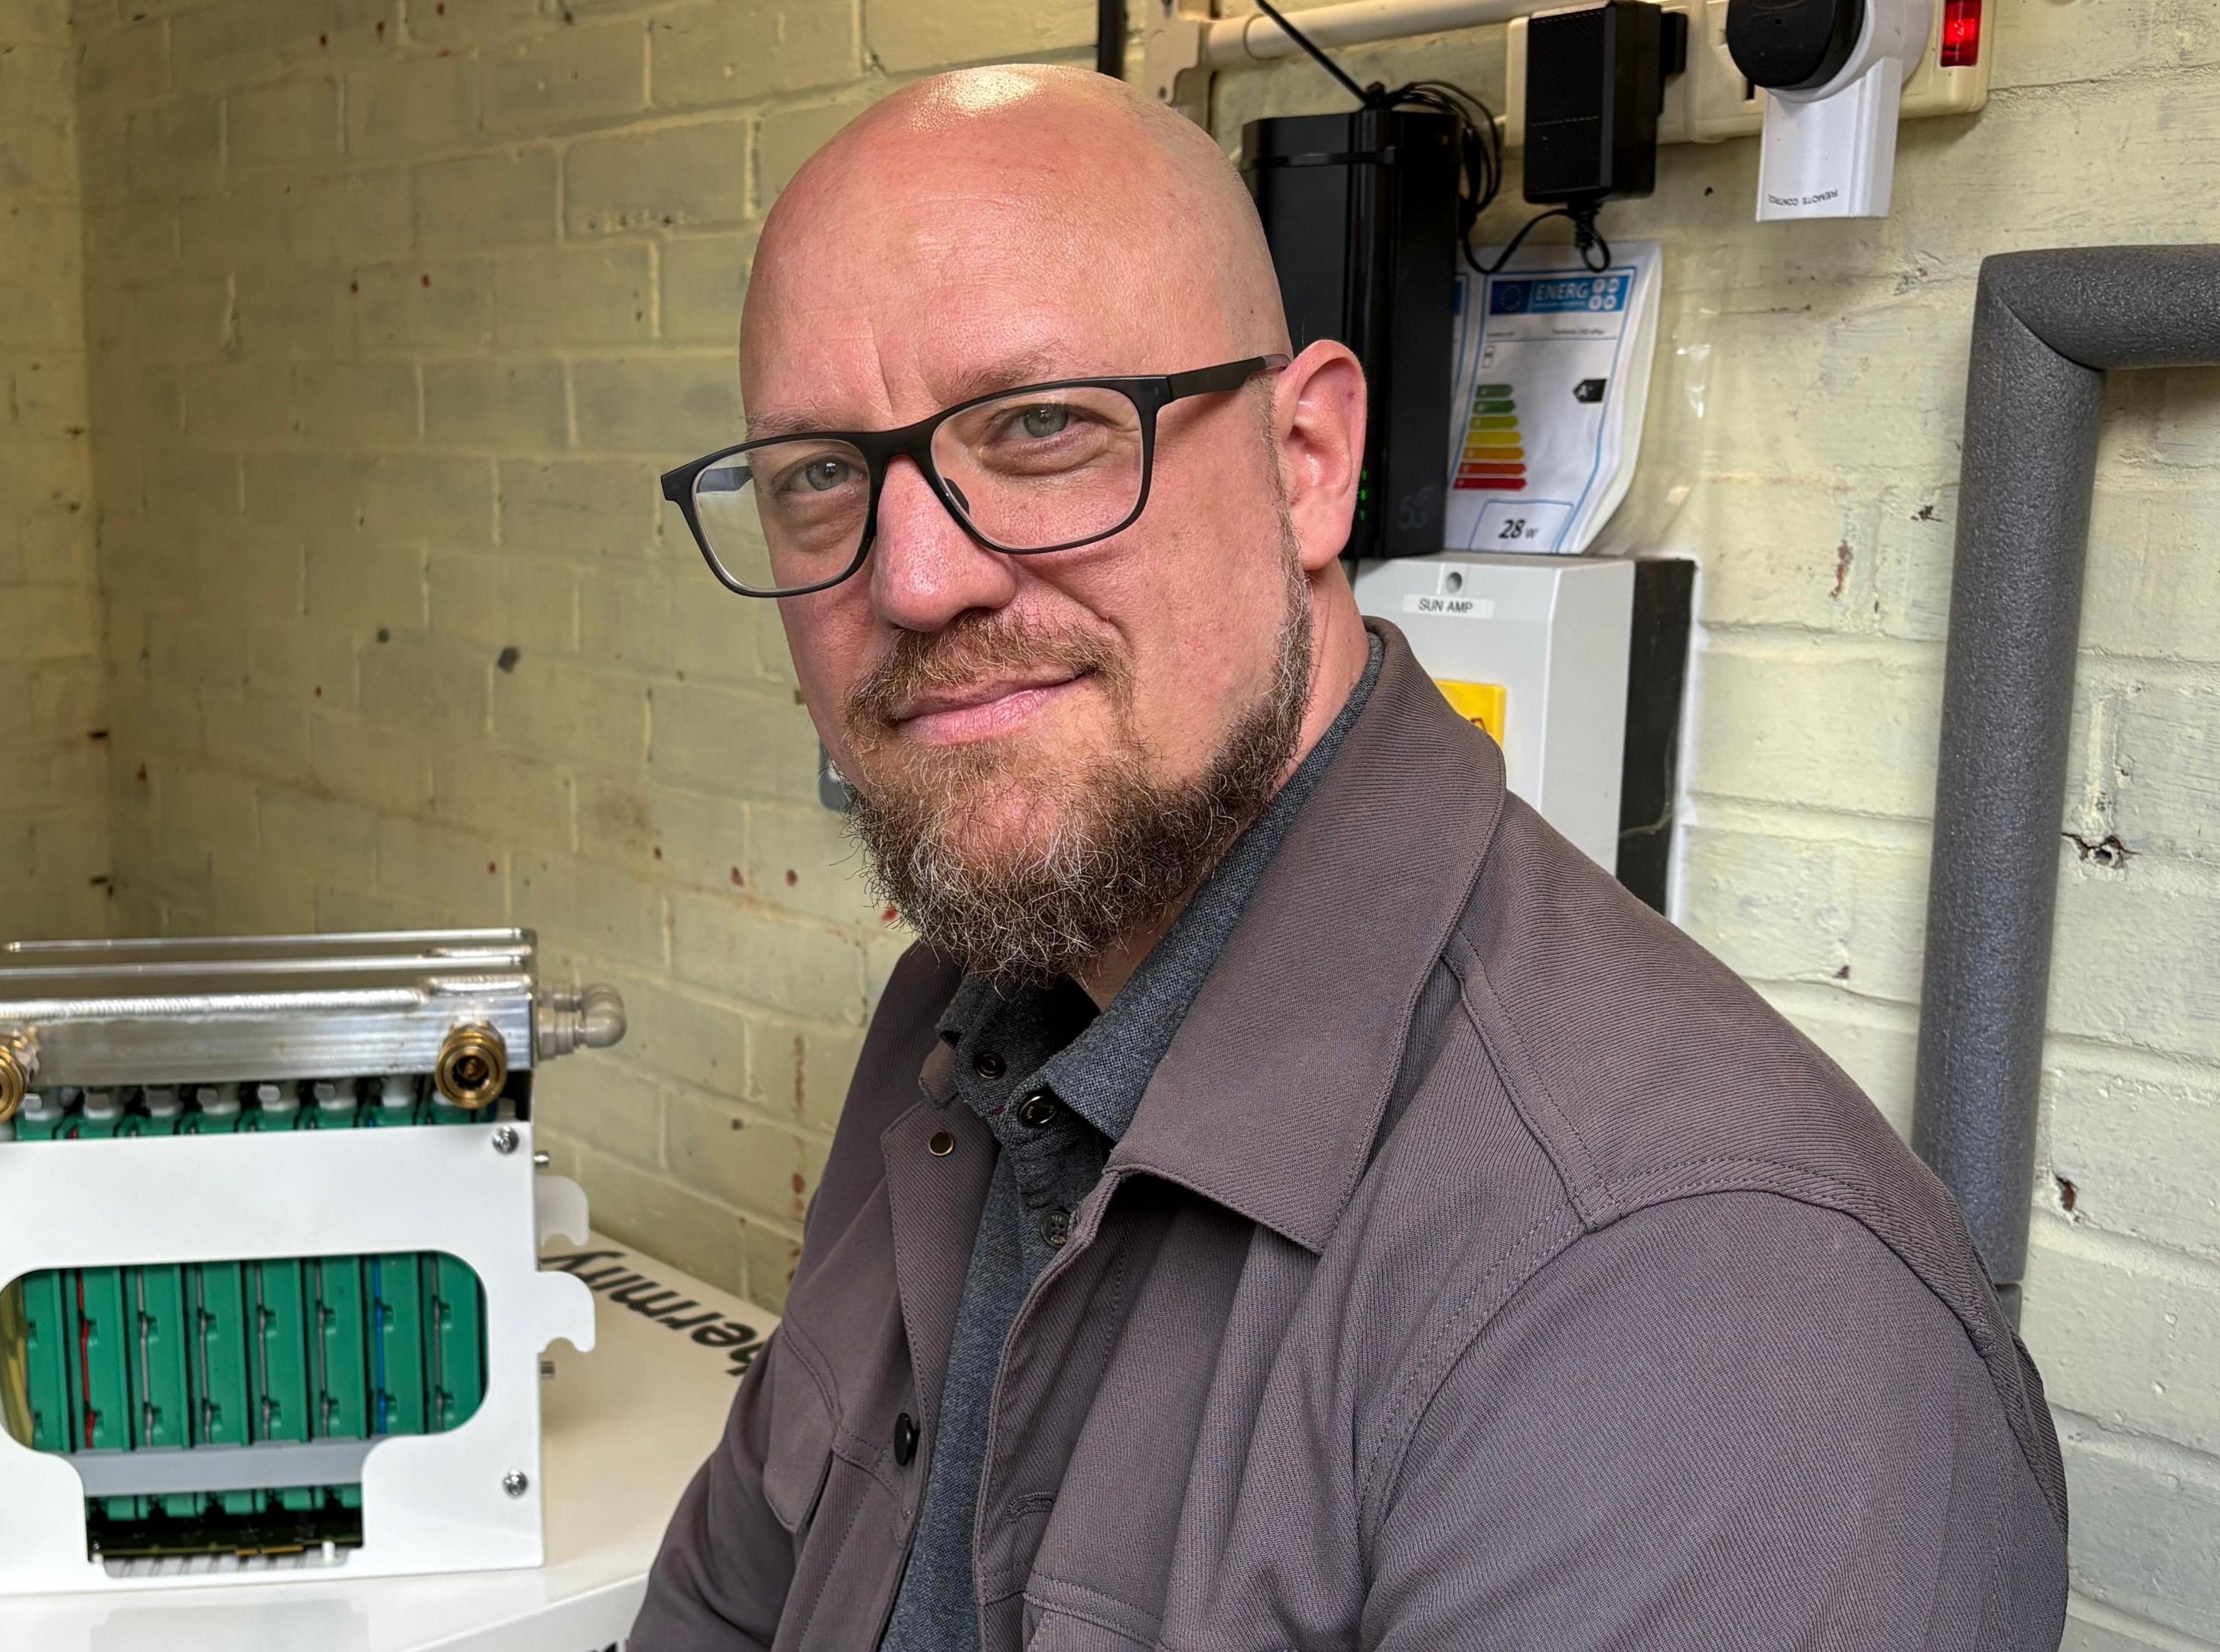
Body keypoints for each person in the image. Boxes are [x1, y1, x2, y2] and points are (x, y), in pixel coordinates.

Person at [630, 63, 2066, 1651]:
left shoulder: (1698, 1300)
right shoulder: (960, 1027)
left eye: (1042, 428)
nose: (914, 579)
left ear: (1308, 460)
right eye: (820, 475)